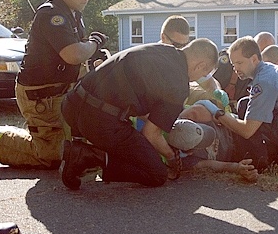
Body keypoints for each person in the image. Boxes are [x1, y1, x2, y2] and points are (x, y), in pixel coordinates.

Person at [0, 0, 106, 169]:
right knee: (54, 155)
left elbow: (80, 53)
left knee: (82, 145)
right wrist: (95, 43)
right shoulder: (51, 14)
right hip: (41, 96)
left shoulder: (74, 15)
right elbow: (73, 54)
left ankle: (47, 132)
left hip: (63, 92)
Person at [60, 38, 219, 190]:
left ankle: (79, 148)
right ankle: (88, 156)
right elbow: (151, 134)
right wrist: (172, 158)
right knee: (156, 174)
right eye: (204, 74)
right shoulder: (179, 84)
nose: (199, 79)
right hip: (99, 122)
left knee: (130, 140)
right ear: (200, 66)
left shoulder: (158, 49)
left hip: (71, 104)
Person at [196, 36, 278, 172]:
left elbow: (247, 131)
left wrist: (215, 110)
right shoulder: (269, 70)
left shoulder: (264, 80)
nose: (235, 69)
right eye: (234, 65)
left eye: (239, 63)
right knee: (246, 104)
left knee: (246, 108)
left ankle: (254, 162)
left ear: (254, 59)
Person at [134, 105, 258, 181]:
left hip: (236, 132)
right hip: (237, 156)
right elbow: (210, 165)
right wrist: (237, 168)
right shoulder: (182, 161)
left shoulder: (195, 114)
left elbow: (203, 108)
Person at [213, 31, 275, 111]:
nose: (259, 58)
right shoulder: (227, 57)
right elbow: (210, 79)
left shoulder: (262, 72)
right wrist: (220, 95)